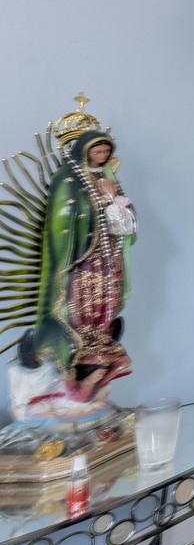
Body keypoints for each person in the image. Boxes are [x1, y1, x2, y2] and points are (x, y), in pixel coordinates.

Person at [15, 128, 137, 421]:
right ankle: (76, 351)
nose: (102, 157)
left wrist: (113, 200)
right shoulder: (68, 180)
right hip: (81, 260)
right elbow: (63, 218)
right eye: (97, 152)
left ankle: (98, 345)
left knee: (104, 306)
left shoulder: (111, 182)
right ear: (83, 150)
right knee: (79, 307)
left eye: (106, 152)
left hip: (108, 258)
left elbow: (126, 227)